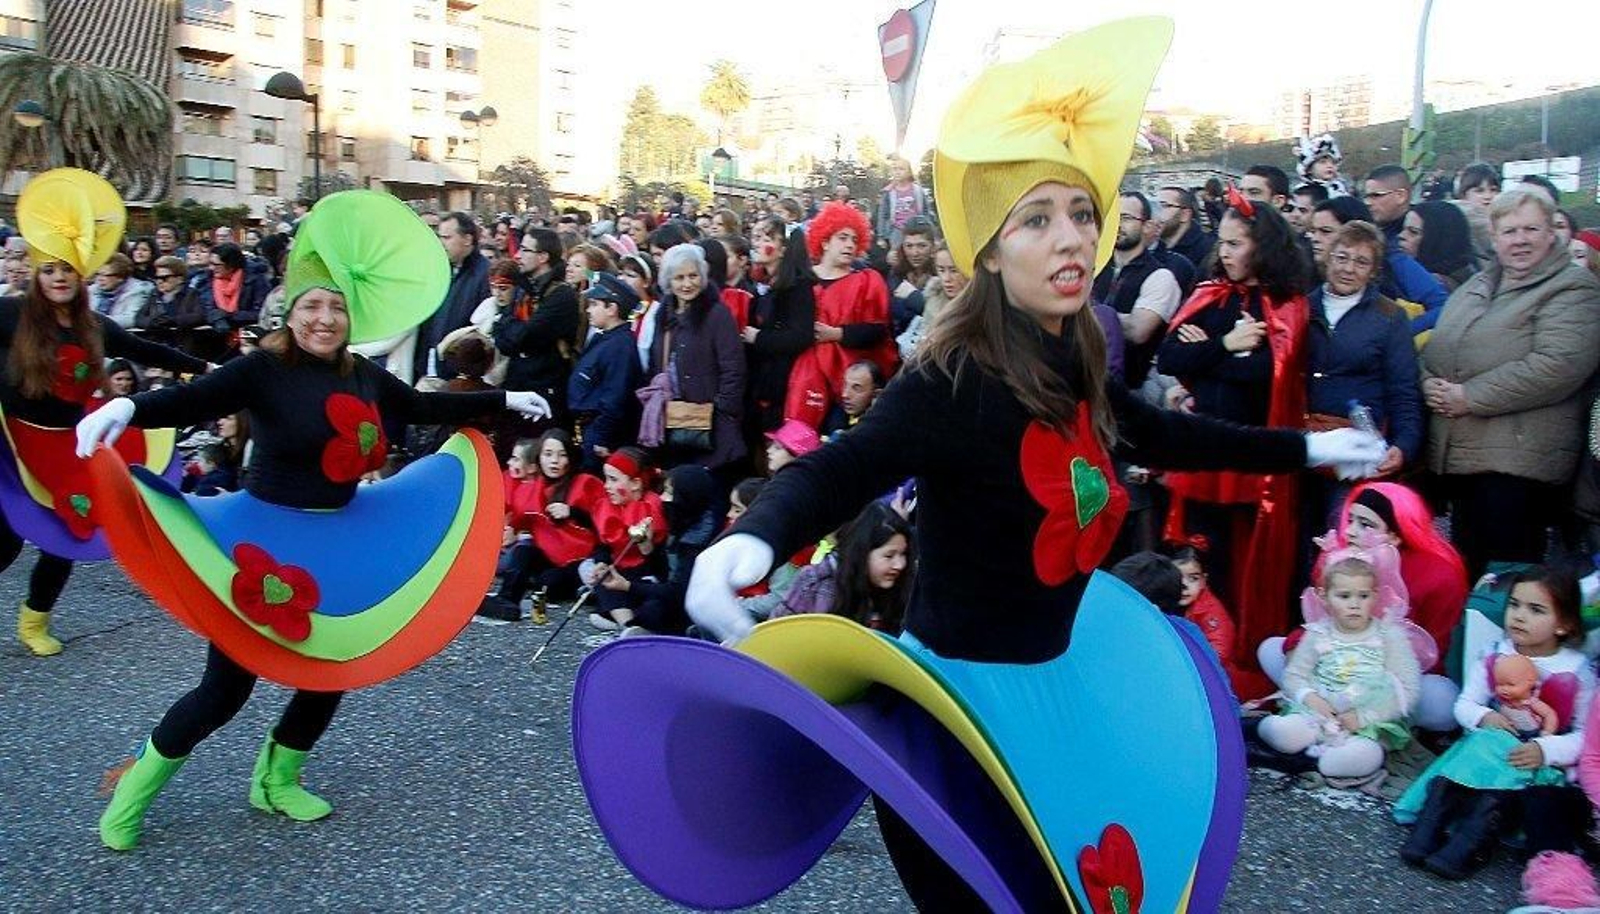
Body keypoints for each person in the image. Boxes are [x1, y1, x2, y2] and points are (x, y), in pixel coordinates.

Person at [662, 20, 1385, 912]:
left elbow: (1161, 436)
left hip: (1061, 692)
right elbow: (846, 466)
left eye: (1081, 213)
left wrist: (1305, 449)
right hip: (956, 721)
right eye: (1036, 219)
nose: (1070, 238)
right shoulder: (951, 379)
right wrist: (755, 537)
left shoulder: (1075, 362)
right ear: (992, 250)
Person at [79, 189, 551, 850]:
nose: (324, 318)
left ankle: (276, 780)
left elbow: (418, 406)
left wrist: (504, 397)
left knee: (334, 668)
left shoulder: (362, 374)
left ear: (348, 315)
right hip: (265, 537)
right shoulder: (264, 368)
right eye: (312, 306)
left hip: (342, 534)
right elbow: (194, 397)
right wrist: (129, 411)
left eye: (335, 307)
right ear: (291, 312)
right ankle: (134, 792)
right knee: (224, 688)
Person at [1, 169, 210, 657]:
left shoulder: (96, 326)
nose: (58, 279)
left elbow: (148, 349)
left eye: (67, 271)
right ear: (37, 274)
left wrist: (204, 366)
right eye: (50, 270)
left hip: (67, 443)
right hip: (14, 444)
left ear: (81, 276)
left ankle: (34, 621)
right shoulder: (10, 316)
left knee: (61, 539)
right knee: (6, 541)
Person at [1156, 187, 1313, 693]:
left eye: (1235, 243)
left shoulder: (1285, 308)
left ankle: (1245, 654)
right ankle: (1199, 652)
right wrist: (1226, 346)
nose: (1224, 252)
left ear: (1261, 247)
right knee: (1202, 557)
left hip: (1250, 461)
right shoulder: (1211, 296)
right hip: (1203, 454)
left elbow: (1267, 375)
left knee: (1247, 561)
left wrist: (1208, 364)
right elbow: (1171, 361)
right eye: (1221, 242)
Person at [1421, 188, 1600, 579]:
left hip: (1518, 467)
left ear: (1552, 232)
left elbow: (1558, 365)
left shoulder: (1572, 287)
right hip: (1465, 460)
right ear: (1494, 237)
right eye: (1509, 231)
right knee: (1470, 577)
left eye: (1530, 229)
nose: (1519, 240)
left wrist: (1469, 397)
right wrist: (1428, 383)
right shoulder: (1477, 285)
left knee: (1507, 581)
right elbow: (1436, 347)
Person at [1395, 565, 1595, 879]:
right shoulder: (1496, 654)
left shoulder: (1576, 671)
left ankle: (1470, 843)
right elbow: (1465, 703)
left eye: (1535, 610)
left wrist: (1546, 749)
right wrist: (1484, 715)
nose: (1518, 615)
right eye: (1514, 605)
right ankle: (1428, 827)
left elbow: (1586, 735)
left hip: (1534, 760)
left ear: (1564, 624)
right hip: (1488, 749)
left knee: (1503, 777)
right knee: (1480, 746)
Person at [1301, 220, 1423, 528]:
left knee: (1339, 538)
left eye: (1361, 262)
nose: (1349, 268)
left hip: (1353, 451)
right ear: (1328, 257)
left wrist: (1404, 445)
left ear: (1373, 271)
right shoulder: (1300, 307)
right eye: (1342, 257)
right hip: (1298, 443)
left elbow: (1404, 389)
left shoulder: (1389, 317)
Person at [1258, 554, 1422, 781]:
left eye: (1363, 596)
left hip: (1366, 721)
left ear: (1374, 596)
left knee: (1365, 754)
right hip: (1318, 713)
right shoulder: (1318, 633)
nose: (1354, 604)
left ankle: (1334, 758)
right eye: (1344, 596)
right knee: (1283, 733)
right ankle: (1290, 736)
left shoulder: (1389, 636)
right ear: (1325, 597)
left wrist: (1364, 717)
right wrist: (1310, 698)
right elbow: (1294, 676)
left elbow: (1407, 690)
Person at [785, 203, 897, 429]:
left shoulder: (867, 280)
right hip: (799, 378)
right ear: (825, 241)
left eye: (855, 240)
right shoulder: (801, 280)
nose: (850, 245)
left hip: (846, 384)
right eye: (843, 237)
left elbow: (877, 330)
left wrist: (836, 334)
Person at [478, 430, 604, 623]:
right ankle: (507, 599)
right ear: (539, 458)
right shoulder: (533, 486)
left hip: (579, 559)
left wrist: (573, 512)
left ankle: (583, 588)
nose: (554, 461)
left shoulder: (585, 483)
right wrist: (512, 529)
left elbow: (602, 525)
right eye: (548, 454)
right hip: (548, 555)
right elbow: (522, 515)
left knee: (547, 584)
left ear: (570, 457)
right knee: (523, 552)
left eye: (561, 455)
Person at [647, 243, 745, 471]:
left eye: (693, 275)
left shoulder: (717, 314)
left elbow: (734, 368)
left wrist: (721, 410)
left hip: (711, 425)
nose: (687, 283)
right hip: (674, 419)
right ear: (668, 281)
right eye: (679, 277)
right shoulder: (663, 316)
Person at [596, 463, 722, 636]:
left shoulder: (697, 539)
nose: (662, 498)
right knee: (607, 582)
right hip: (667, 587)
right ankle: (628, 625)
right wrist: (647, 547)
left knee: (654, 609)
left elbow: (678, 590)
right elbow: (662, 571)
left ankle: (635, 624)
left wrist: (628, 586)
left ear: (686, 497)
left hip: (691, 601)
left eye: (669, 492)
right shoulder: (681, 521)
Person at [771, 500, 911, 633]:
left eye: (903, 554)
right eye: (889, 556)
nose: (900, 564)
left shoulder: (901, 590)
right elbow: (776, 631)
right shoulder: (815, 582)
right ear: (861, 553)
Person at [1094, 190, 1183, 391]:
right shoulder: (1095, 265)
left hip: (1129, 390)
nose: (1117, 224)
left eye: (1126, 218)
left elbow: (1138, 331)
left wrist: (1086, 314)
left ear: (1147, 226)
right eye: (1114, 217)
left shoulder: (1161, 277)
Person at [496, 227, 580, 430]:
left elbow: (525, 337)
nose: (518, 255)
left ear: (542, 257)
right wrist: (507, 325)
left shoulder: (562, 296)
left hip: (545, 393)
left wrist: (507, 324)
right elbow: (503, 339)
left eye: (525, 250)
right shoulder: (524, 289)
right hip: (517, 387)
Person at [742, 221, 816, 444]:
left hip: (783, 386)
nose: (758, 244)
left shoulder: (798, 287)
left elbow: (800, 336)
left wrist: (759, 338)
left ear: (784, 249)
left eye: (767, 240)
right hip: (761, 384)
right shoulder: (762, 286)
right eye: (757, 238)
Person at [584, 447, 668, 632]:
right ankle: (626, 625)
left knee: (654, 607)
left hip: (645, 577)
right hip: (619, 571)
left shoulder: (651, 508)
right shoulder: (606, 505)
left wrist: (645, 545)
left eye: (613, 480)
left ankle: (623, 620)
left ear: (635, 483)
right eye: (606, 479)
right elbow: (602, 545)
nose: (606, 486)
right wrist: (601, 563)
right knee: (599, 579)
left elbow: (660, 564)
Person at [568, 273, 642, 469]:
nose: (588, 310)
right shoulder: (603, 339)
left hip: (599, 434)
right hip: (586, 428)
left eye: (594, 304)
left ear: (612, 308)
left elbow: (615, 396)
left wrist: (601, 437)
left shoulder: (620, 346)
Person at [417, 212, 491, 380]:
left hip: (460, 373)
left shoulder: (485, 275)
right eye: (440, 237)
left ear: (467, 239)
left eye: (447, 237)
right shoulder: (438, 269)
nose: (441, 243)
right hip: (429, 363)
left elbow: (482, 330)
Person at [896, 241, 966, 362]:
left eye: (954, 270)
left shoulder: (978, 305)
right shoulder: (932, 298)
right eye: (941, 270)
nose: (946, 278)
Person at [197, 242, 268, 331]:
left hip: (247, 333)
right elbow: (204, 309)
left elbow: (261, 312)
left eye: (217, 265)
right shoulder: (206, 280)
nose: (211, 268)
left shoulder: (255, 280)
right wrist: (216, 317)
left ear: (231, 265)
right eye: (210, 263)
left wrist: (230, 315)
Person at [876, 156, 934, 250]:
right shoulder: (889, 192)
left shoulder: (917, 190)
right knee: (896, 256)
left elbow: (926, 212)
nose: (897, 172)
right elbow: (882, 215)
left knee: (917, 253)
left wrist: (932, 233)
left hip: (916, 229)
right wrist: (881, 237)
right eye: (895, 169)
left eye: (901, 169)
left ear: (909, 172)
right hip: (896, 229)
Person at [821, 360, 882, 437]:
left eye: (856, 388)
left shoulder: (879, 429)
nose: (845, 395)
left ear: (876, 395)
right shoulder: (833, 415)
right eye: (845, 385)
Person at [92, 254, 153, 329]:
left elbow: (130, 320)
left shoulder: (138, 290)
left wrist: (94, 322)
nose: (100, 279)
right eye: (98, 274)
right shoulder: (92, 289)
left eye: (105, 275)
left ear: (121, 277)